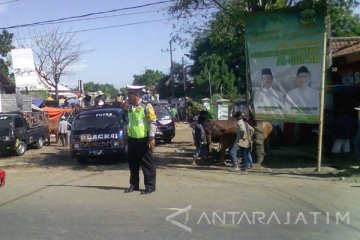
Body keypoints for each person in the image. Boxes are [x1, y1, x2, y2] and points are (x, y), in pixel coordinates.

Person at [124, 85, 157, 195]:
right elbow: (128, 123)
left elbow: (152, 122)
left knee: (147, 164)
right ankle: (134, 185)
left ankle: (150, 187)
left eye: (130, 95)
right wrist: (125, 137)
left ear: (137, 95)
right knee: (133, 165)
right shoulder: (130, 107)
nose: (128, 97)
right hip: (132, 139)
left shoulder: (146, 106)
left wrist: (151, 137)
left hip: (144, 139)